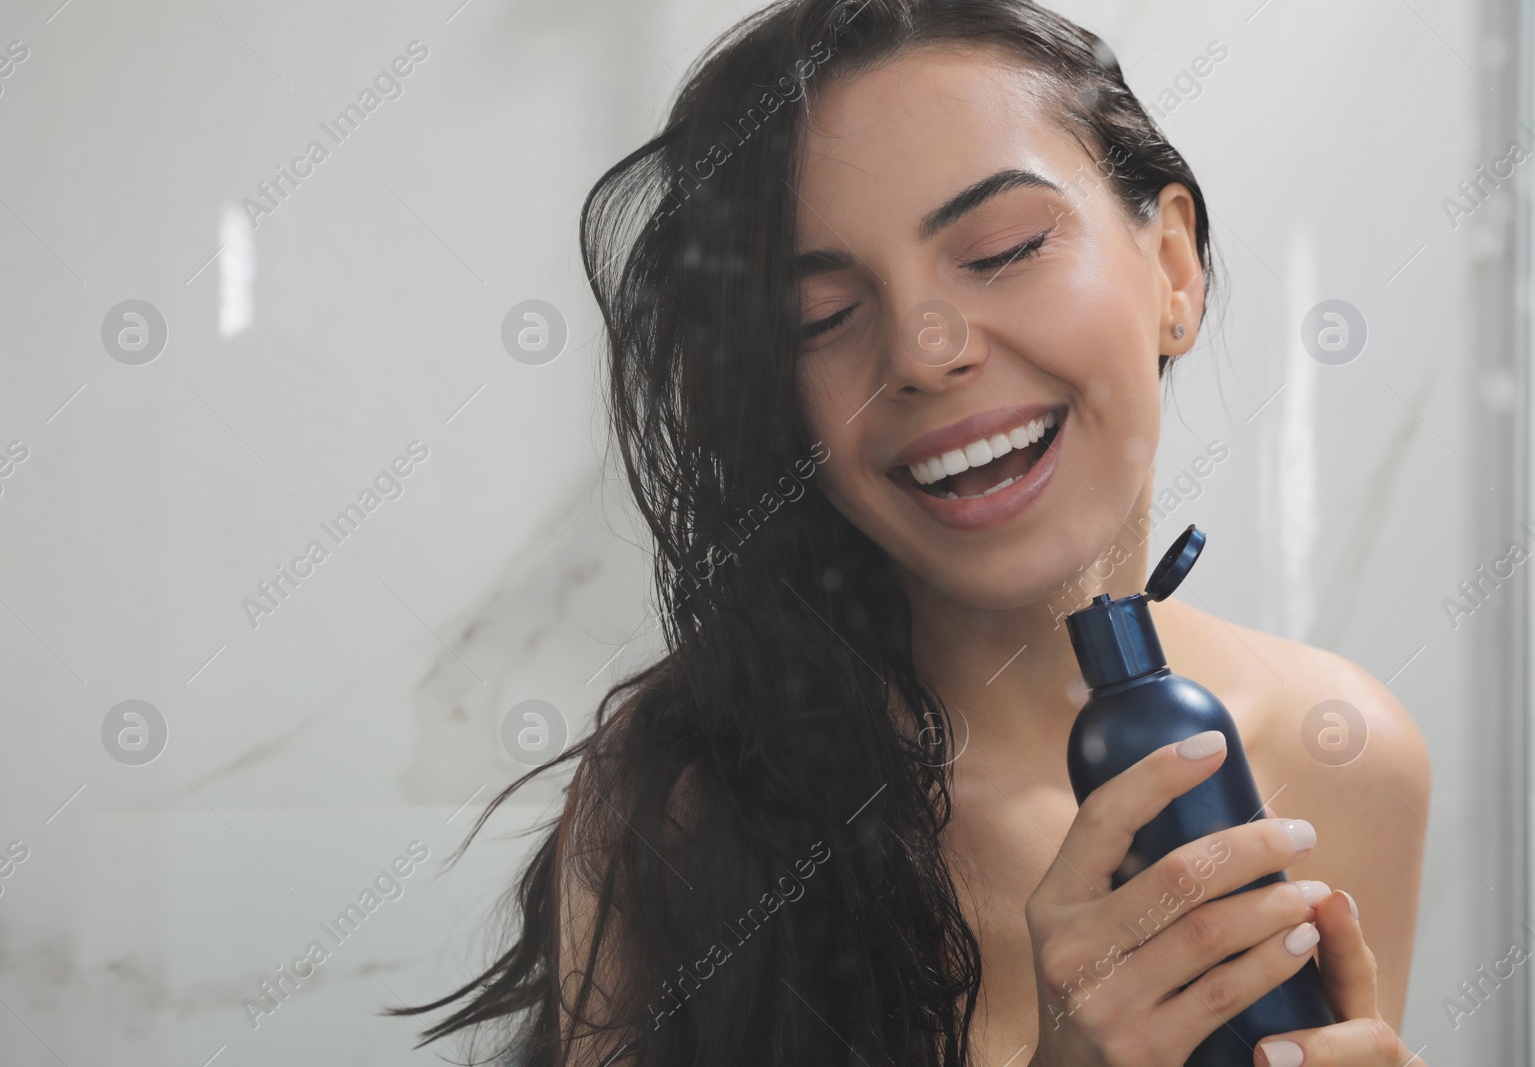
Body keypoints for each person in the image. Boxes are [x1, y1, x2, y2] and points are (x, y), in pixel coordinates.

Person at [391, 2, 1431, 1064]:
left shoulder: (1342, 751)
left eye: (1003, 248)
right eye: (822, 317)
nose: (927, 349)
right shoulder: (684, 800)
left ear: (1173, 267)